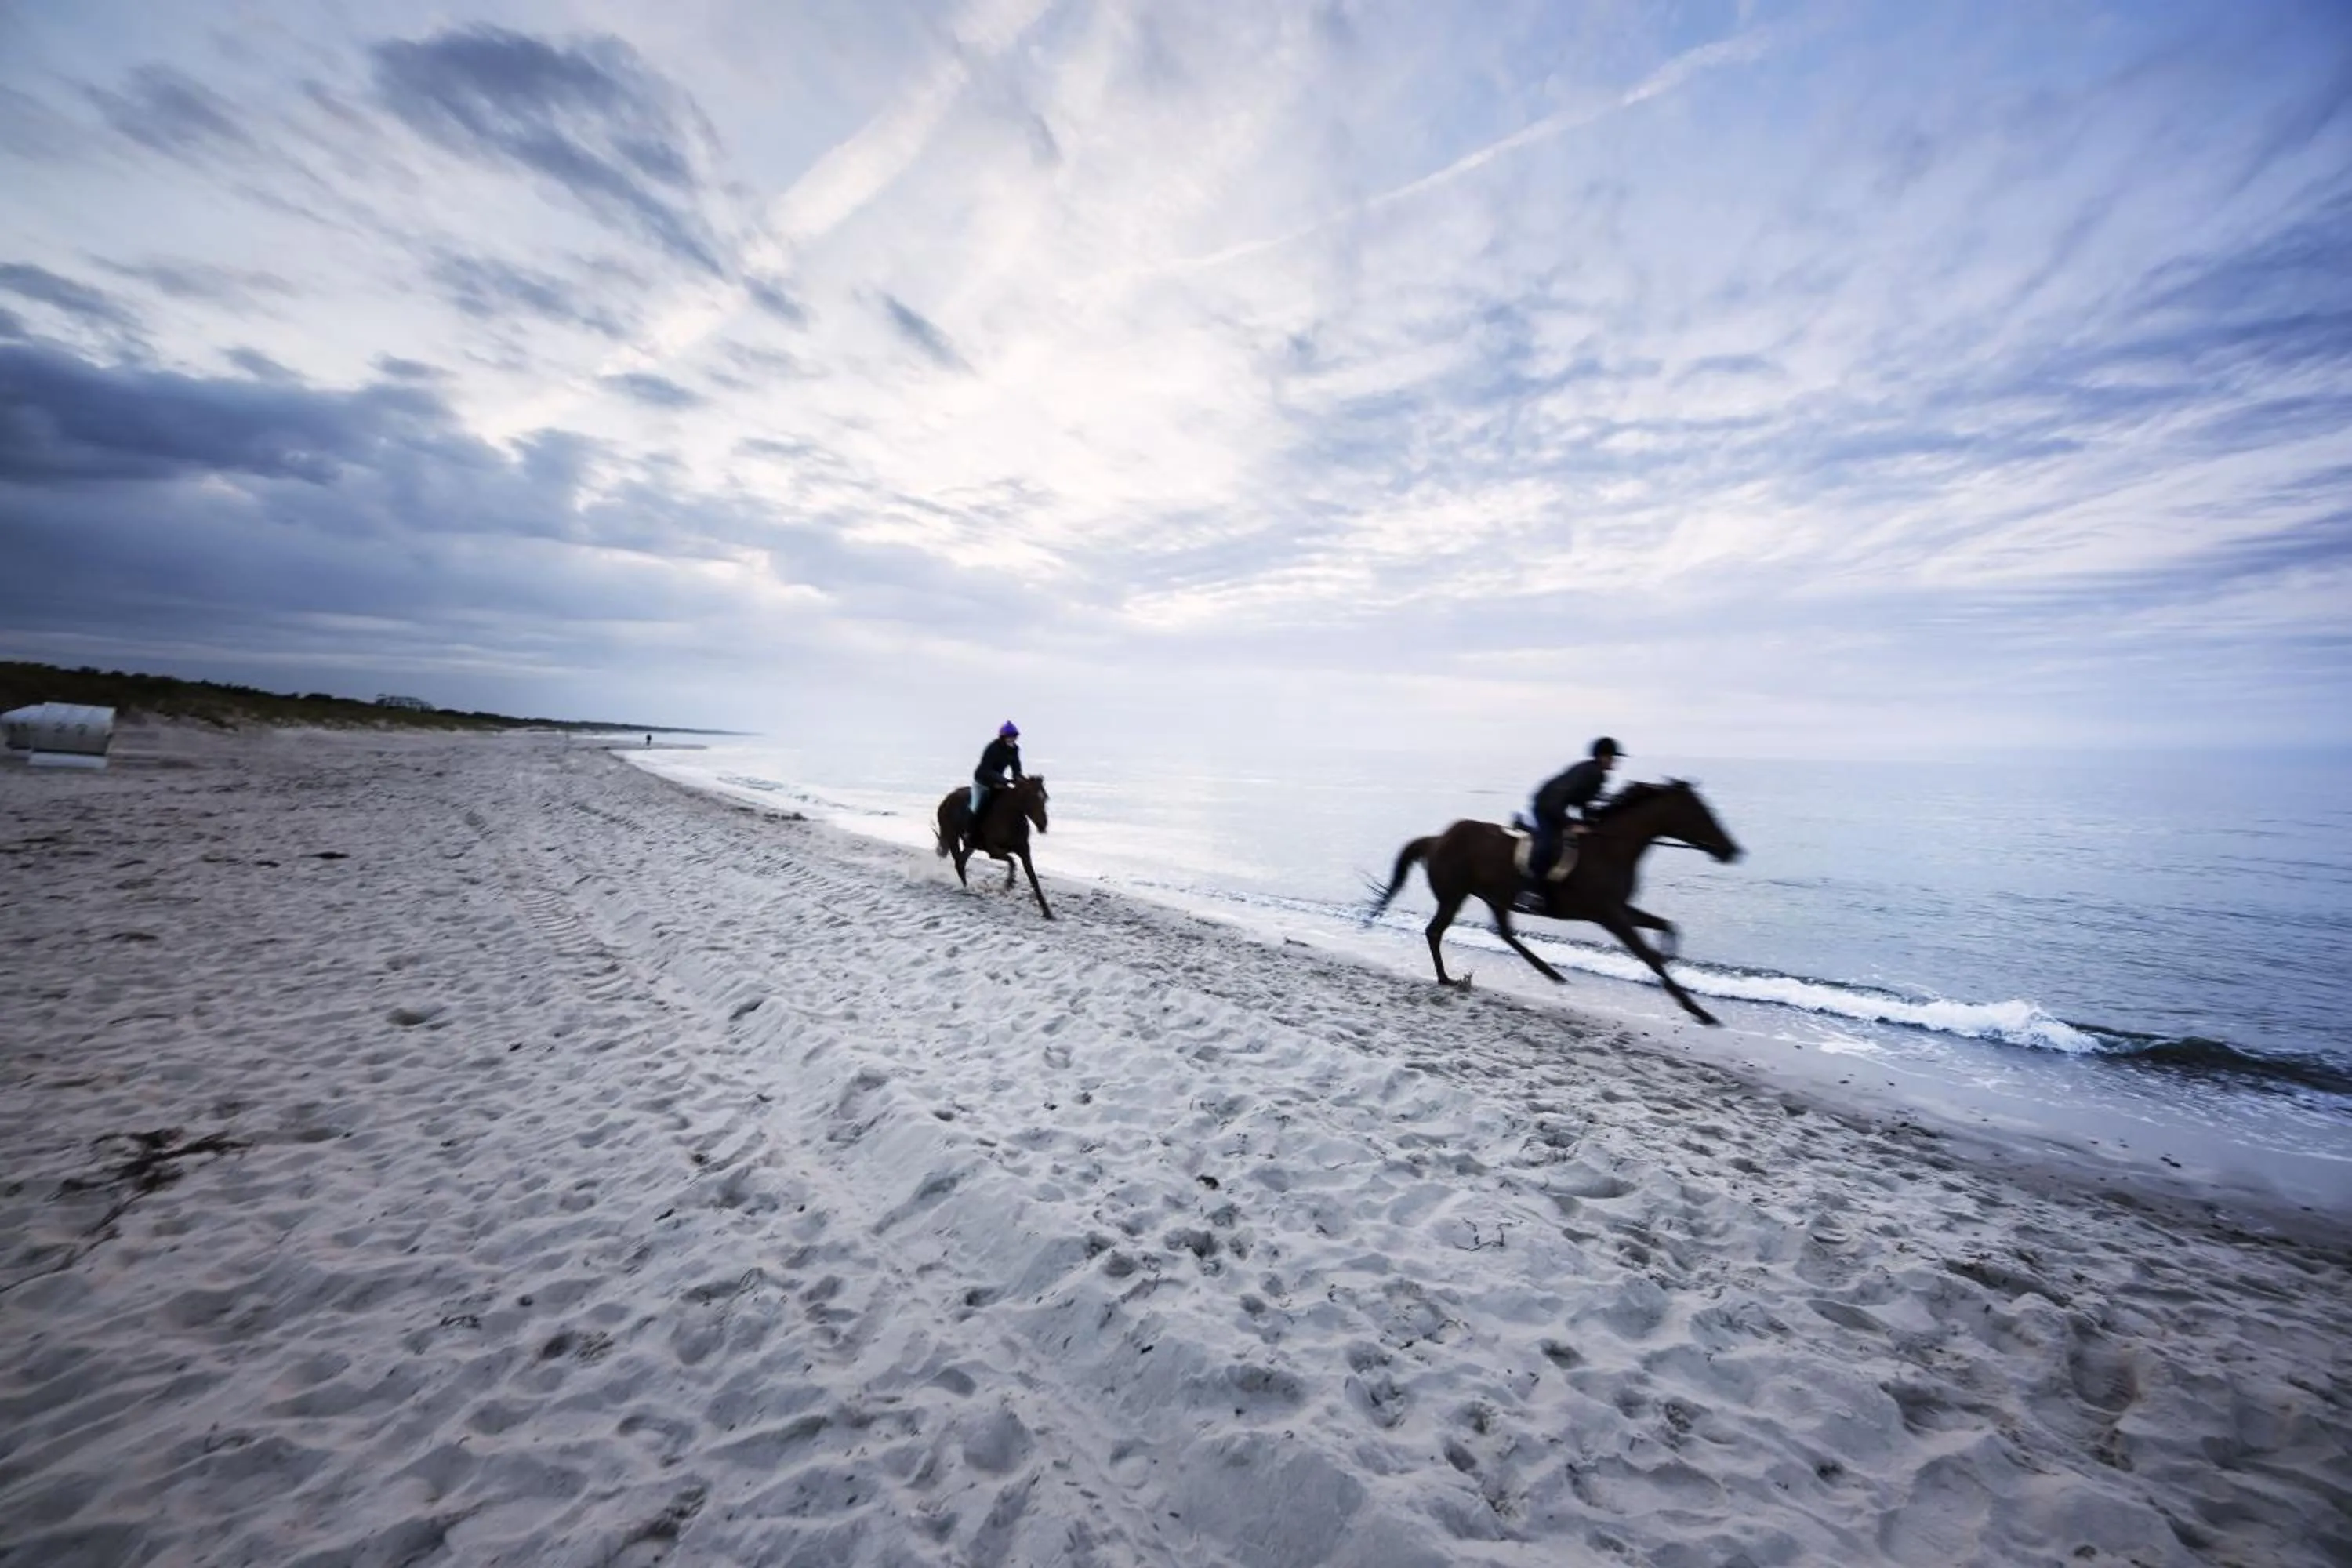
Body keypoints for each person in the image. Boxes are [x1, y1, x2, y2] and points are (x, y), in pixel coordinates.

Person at [1529, 736, 1621, 884]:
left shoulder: (1598, 774)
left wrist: (1591, 824)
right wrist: (1570, 824)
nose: (1615, 761)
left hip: (1557, 807)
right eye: (1612, 757)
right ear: (1603, 757)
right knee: (1547, 847)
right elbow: (1556, 799)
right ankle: (1531, 890)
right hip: (1545, 807)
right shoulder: (1590, 772)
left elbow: (1584, 803)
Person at [969, 720, 1024, 826]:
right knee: (975, 808)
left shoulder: (1014, 749)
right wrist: (1003, 779)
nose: (1012, 739)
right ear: (1003, 737)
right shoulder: (993, 748)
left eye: (1015, 736)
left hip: (997, 782)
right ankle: (969, 832)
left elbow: (1016, 767)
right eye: (1009, 736)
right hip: (982, 782)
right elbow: (986, 769)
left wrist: (1018, 779)